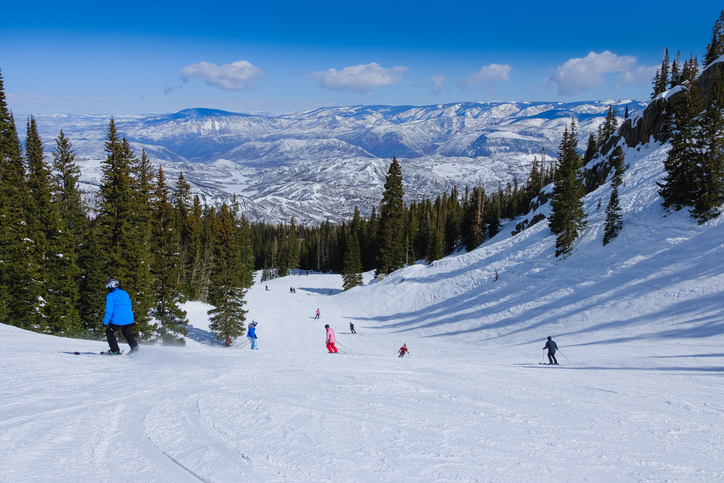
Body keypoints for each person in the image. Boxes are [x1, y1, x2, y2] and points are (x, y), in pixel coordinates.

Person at [102, 278, 139, 355]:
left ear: (110, 287)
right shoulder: (124, 293)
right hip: (129, 318)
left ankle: (115, 351)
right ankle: (135, 350)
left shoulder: (110, 296)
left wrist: (105, 322)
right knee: (127, 333)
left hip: (118, 319)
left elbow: (109, 310)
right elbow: (130, 305)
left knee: (109, 332)